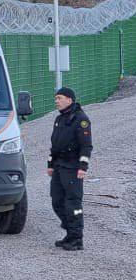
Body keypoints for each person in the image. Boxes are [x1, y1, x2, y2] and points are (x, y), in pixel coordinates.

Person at [48, 87, 92, 251]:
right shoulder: (60, 119)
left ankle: (76, 238)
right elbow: (55, 144)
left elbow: (86, 146)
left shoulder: (81, 119)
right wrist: (50, 164)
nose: (56, 101)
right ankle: (70, 232)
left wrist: (83, 167)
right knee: (57, 201)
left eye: (59, 98)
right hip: (59, 166)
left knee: (73, 203)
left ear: (69, 99)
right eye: (56, 98)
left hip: (73, 167)